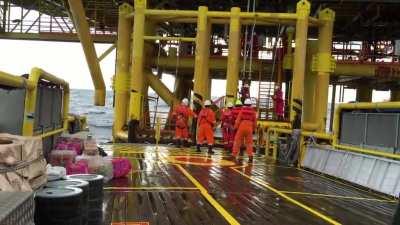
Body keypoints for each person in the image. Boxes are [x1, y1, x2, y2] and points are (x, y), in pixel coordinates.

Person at [232, 98, 257, 163]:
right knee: (249, 143)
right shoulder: (253, 112)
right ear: (250, 104)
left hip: (242, 125)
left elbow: (238, 120)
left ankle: (234, 155)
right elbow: (255, 122)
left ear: (244, 104)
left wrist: (235, 128)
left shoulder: (242, 111)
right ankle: (250, 156)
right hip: (250, 126)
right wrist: (254, 129)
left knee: (237, 141)